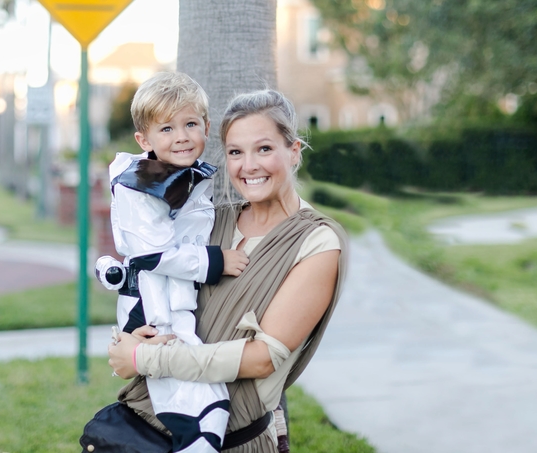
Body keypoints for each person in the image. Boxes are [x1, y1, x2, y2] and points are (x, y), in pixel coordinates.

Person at [109, 89, 349, 452]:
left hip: (237, 439)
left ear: (294, 150)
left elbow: (260, 359)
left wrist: (143, 358)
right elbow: (150, 276)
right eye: (236, 152)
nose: (248, 166)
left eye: (264, 149)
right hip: (148, 431)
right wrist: (131, 336)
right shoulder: (212, 223)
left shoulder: (316, 242)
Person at [95, 72, 249, 453]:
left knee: (200, 409)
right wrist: (214, 262)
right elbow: (153, 253)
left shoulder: (186, 176)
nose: (181, 135)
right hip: (152, 309)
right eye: (167, 128)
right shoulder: (138, 186)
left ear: (206, 127)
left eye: (190, 124)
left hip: (173, 304)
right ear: (144, 140)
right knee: (203, 409)